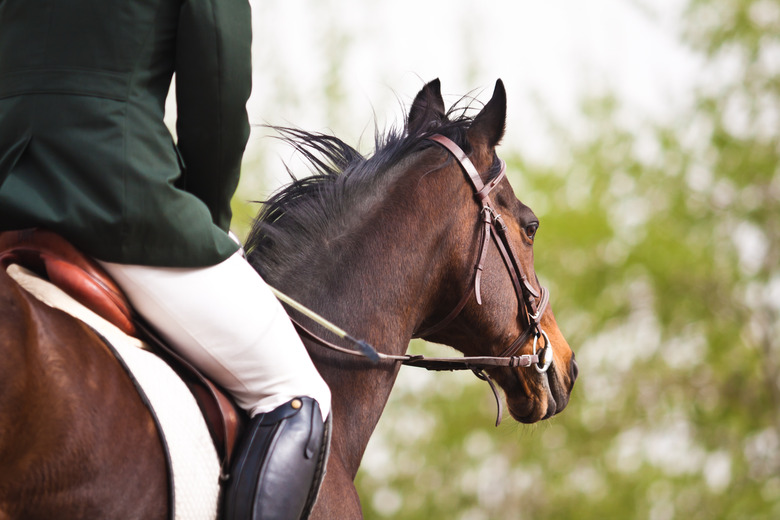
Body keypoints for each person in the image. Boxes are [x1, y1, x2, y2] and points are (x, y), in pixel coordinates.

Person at [0, 0, 331, 518]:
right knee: (294, 392)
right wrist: (202, 223)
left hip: (7, 190)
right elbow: (216, 102)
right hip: (121, 197)